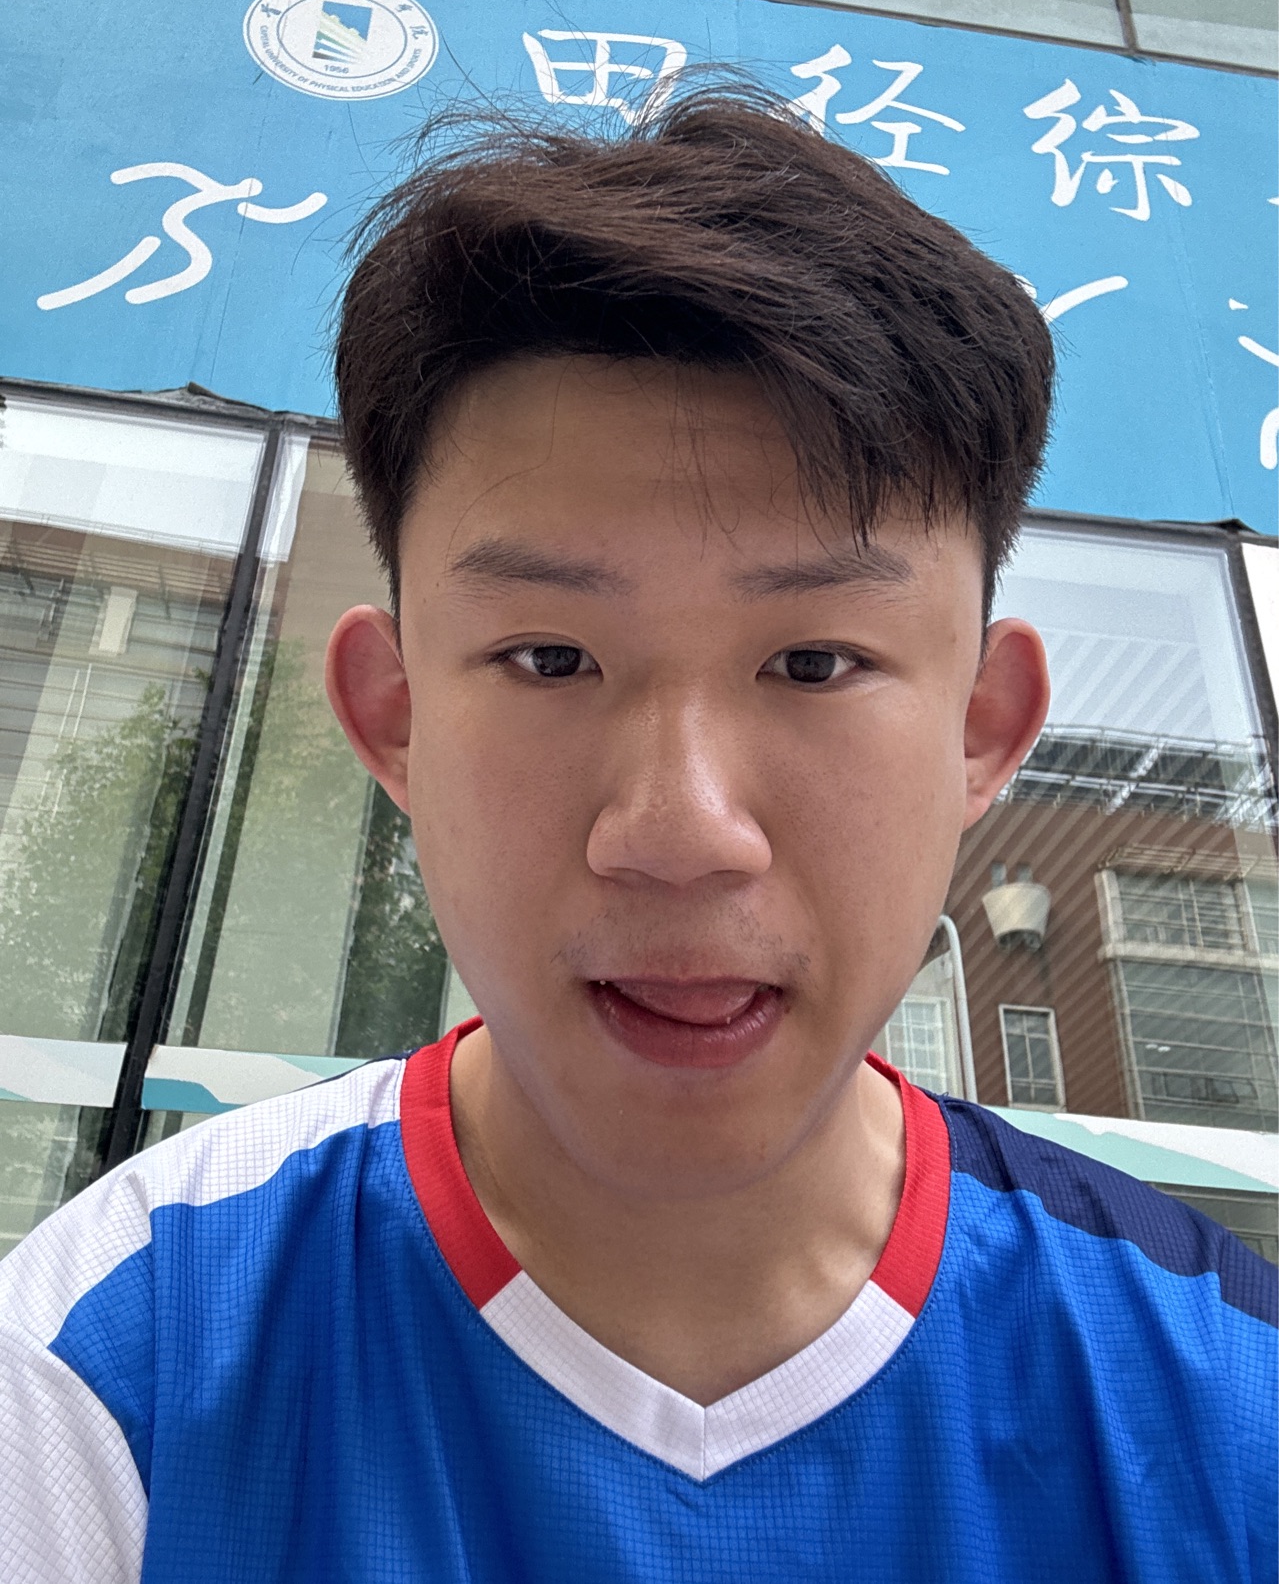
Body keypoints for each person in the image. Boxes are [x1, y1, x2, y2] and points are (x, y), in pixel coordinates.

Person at [1, 89, 1273, 1584]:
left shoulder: (1226, 1399)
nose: (680, 833)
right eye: (551, 658)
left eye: (814, 662)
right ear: (395, 716)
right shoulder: (113, 1363)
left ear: (982, 727)